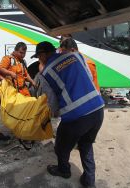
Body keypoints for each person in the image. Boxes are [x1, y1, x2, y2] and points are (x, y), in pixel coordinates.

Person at [32, 41, 104, 187]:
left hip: (76, 116)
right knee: (86, 144)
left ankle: (64, 170)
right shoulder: (77, 56)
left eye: (39, 57)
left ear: (43, 55)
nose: (39, 60)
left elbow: (52, 101)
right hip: (98, 109)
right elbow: (90, 79)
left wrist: (53, 115)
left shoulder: (45, 73)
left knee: (61, 145)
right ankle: (89, 181)